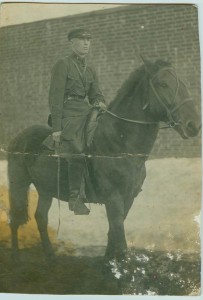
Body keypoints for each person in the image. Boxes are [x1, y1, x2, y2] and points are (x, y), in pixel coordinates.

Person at [48, 28, 106, 215]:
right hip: (68, 114)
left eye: (88, 40)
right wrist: (57, 127)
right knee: (78, 148)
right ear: (71, 43)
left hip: (85, 111)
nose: (86, 43)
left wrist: (99, 102)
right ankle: (75, 197)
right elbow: (55, 97)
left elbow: (95, 93)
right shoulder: (62, 64)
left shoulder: (90, 69)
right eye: (81, 40)